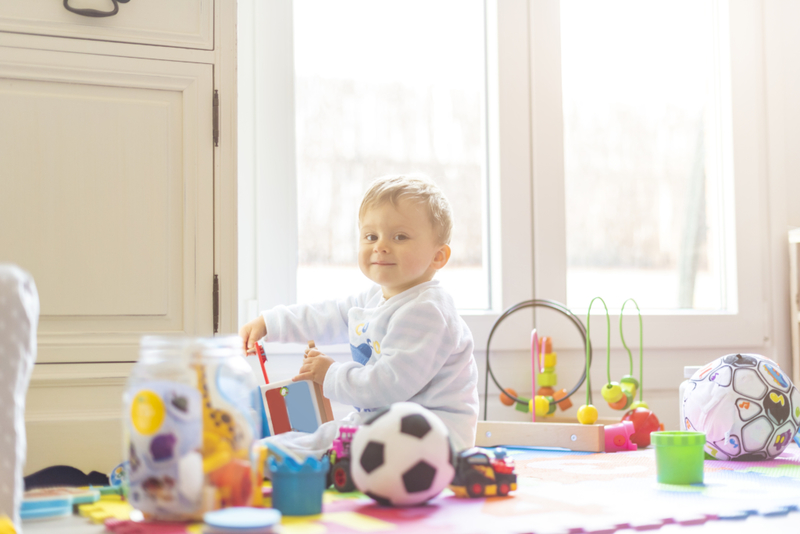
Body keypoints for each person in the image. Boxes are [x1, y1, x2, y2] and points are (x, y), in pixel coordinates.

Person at [239, 174, 479, 455]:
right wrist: (272, 323)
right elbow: (329, 314)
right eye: (370, 236)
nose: (380, 246)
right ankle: (262, 456)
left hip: (430, 440)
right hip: (391, 426)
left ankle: (260, 460)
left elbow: (388, 385)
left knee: (326, 442)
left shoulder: (427, 311)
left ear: (438, 256)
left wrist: (330, 374)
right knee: (327, 437)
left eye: (399, 236)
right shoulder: (378, 296)